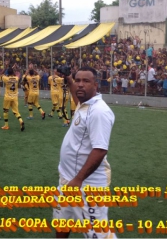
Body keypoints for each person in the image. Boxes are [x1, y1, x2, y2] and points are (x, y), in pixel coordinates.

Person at [53, 66, 115, 238]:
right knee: (62, 221)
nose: (80, 85)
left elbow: (100, 150)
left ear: (96, 85)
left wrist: (78, 180)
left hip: (88, 186)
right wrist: (68, 79)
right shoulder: (84, 104)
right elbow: (76, 93)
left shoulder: (99, 111)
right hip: (68, 179)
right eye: (78, 80)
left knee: (97, 234)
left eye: (86, 81)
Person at [1, 66, 25, 131]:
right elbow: (18, 74)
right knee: (16, 112)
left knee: (5, 111)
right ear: (13, 72)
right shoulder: (16, 78)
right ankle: (21, 121)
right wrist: (15, 68)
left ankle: (6, 125)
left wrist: (5, 68)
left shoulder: (6, 78)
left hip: (7, 97)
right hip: (15, 97)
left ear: (8, 73)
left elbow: (1, 74)